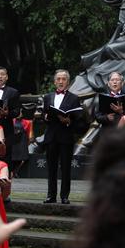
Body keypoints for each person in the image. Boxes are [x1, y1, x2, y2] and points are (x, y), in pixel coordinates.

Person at [41, 70, 82, 204]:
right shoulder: (47, 97)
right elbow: (44, 116)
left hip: (66, 137)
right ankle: (51, 195)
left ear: (68, 82)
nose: (60, 81)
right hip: (51, 137)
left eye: (64, 79)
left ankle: (64, 196)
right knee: (51, 168)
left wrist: (69, 121)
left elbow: (78, 120)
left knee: (66, 168)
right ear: (54, 82)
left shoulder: (74, 98)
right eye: (58, 79)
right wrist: (45, 117)